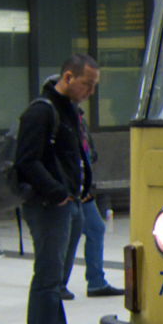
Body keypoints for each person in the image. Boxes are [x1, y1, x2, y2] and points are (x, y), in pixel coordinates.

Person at [15, 54, 98, 324]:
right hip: (49, 205)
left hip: (70, 201)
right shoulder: (41, 112)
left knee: (58, 277)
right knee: (48, 277)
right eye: (87, 85)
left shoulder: (69, 112)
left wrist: (83, 188)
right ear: (68, 77)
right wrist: (57, 191)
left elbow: (75, 155)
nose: (90, 92)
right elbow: (27, 160)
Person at [62, 104, 122, 299]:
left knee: (95, 229)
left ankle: (96, 282)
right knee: (68, 237)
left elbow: (87, 155)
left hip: (81, 189)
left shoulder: (79, 120)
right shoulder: (59, 119)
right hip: (68, 191)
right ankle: (58, 284)